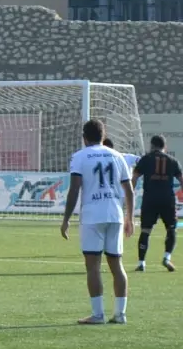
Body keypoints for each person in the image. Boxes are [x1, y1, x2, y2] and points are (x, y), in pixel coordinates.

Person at [61, 119, 134, 325]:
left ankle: (98, 314)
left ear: (84, 137)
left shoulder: (80, 156)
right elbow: (129, 190)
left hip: (93, 215)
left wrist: (66, 219)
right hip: (115, 215)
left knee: (93, 266)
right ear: (103, 135)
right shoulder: (117, 155)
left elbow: (75, 188)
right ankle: (120, 314)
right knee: (116, 264)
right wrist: (130, 218)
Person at [131, 135, 182, 273]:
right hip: (167, 199)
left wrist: (130, 194)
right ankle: (166, 257)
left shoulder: (146, 159)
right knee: (171, 229)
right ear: (164, 146)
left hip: (150, 199)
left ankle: (141, 263)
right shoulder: (173, 161)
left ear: (152, 145)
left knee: (146, 231)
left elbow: (134, 177)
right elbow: (181, 179)